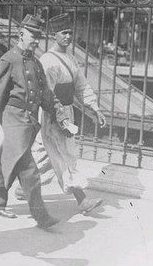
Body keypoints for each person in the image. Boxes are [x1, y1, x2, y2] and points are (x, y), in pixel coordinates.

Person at [0, 14, 72, 228]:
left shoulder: (35, 62)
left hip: (28, 122)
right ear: (21, 34)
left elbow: (45, 94)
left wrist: (59, 114)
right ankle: (41, 217)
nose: (36, 40)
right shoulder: (8, 60)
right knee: (29, 170)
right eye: (33, 36)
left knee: (11, 163)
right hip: (12, 121)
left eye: (39, 37)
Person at [34, 13, 106, 214]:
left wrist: (95, 107)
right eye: (63, 32)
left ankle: (19, 187)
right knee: (66, 156)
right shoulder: (48, 60)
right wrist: (60, 118)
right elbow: (46, 93)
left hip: (67, 110)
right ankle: (82, 201)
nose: (68, 36)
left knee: (42, 154)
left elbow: (81, 86)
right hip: (53, 114)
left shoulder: (72, 59)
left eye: (70, 32)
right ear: (53, 35)